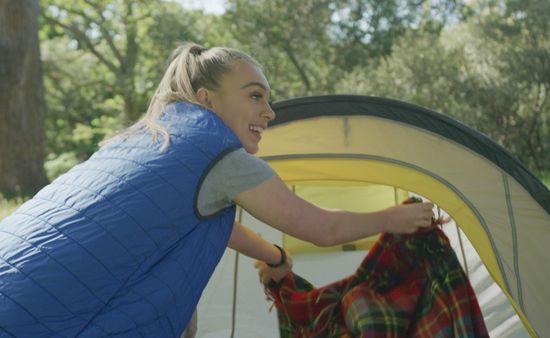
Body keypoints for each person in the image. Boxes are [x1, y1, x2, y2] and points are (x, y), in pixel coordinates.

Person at [0, 42, 434, 337]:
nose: (270, 112)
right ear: (208, 100)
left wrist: (276, 257)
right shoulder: (218, 156)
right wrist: (391, 218)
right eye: (255, 97)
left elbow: (200, 224)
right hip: (37, 314)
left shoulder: (149, 139)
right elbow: (318, 226)